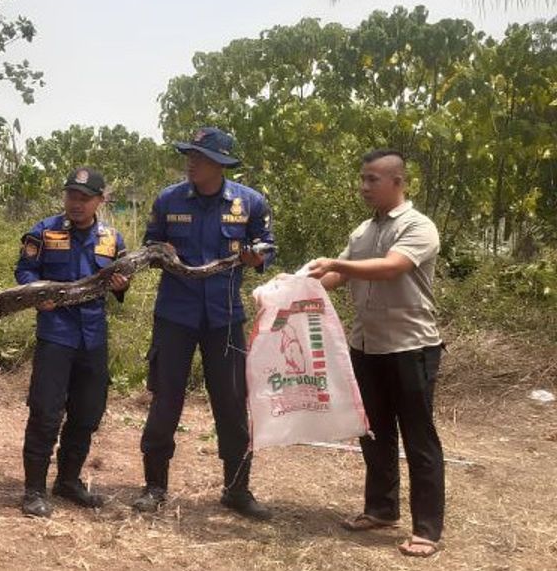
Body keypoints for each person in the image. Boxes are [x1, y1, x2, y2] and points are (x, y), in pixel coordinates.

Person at [307, 149, 445, 558]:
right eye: (363, 179)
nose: (364, 187)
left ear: (397, 182)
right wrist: (296, 287)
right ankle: (381, 510)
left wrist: (337, 264)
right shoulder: (362, 231)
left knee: (418, 437)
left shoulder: (420, 228)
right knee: (375, 432)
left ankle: (427, 529)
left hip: (411, 346)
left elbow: (390, 267)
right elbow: (336, 274)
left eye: (372, 179)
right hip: (366, 345)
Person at [133, 126, 275, 520]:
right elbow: (150, 245)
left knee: (231, 404)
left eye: (199, 156)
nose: (190, 162)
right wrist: (161, 251)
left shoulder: (249, 203)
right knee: (166, 400)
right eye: (189, 155)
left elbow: (267, 245)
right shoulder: (168, 200)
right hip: (175, 316)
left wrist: (256, 256)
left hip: (225, 318)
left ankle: (237, 489)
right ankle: (154, 487)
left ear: (220, 164)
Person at [14, 167, 130, 518]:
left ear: (99, 201)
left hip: (93, 337)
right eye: (71, 196)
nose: (76, 204)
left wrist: (122, 285)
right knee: (46, 412)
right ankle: (34, 489)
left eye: (84, 198)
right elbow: (24, 272)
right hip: (56, 335)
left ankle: (68, 480)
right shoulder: (43, 231)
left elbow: (123, 279)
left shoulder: (112, 238)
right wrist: (37, 294)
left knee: (87, 412)